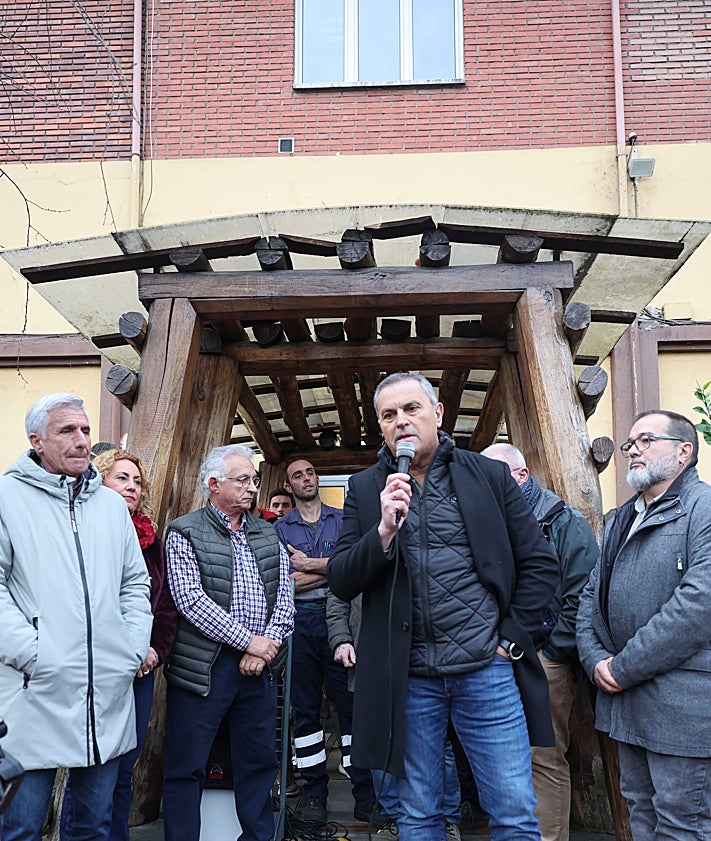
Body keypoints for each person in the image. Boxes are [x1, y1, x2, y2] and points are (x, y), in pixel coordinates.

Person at [327, 372, 559, 841]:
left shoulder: (488, 475)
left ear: (437, 414)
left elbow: (540, 564)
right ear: (380, 427)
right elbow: (341, 579)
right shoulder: (366, 488)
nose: (401, 421)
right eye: (389, 415)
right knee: (418, 815)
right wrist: (383, 532)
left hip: (486, 669)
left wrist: (510, 641)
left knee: (513, 811)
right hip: (409, 679)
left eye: (411, 409)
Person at [0, 393, 152, 841]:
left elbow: (134, 584)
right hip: (34, 694)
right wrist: (35, 655)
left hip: (106, 691)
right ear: (37, 441)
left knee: (92, 827)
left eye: (85, 429)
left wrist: (130, 649)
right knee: (20, 827)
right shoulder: (7, 498)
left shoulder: (110, 506)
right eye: (67, 430)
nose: (82, 439)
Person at [576, 410, 711, 841]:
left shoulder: (704, 509)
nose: (633, 450)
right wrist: (595, 659)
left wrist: (621, 667)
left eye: (646, 440)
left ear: (683, 452)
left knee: (682, 824)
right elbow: (591, 598)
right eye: (630, 443)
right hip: (627, 705)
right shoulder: (621, 517)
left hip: (683, 707)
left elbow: (698, 606)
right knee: (641, 817)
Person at [162, 444, 294, 841]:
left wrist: (267, 644)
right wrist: (250, 642)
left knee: (258, 763)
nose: (252, 487)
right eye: (243, 480)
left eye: (254, 480)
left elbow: (285, 595)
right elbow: (190, 600)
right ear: (214, 483)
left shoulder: (267, 531)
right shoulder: (185, 530)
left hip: (260, 667)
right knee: (187, 766)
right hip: (205, 667)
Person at [482, 443, 599, 841]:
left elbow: (583, 596)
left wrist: (554, 651)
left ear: (521, 475)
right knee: (501, 757)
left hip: (544, 655)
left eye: (494, 474)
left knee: (543, 756)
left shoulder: (563, 521)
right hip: (499, 656)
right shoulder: (491, 521)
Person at [62, 450, 178, 841]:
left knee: (125, 770)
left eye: (137, 481)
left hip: (140, 672)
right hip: (93, 669)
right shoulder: (80, 530)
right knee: (90, 770)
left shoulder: (151, 541)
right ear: (99, 481)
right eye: (121, 478)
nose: (131, 487)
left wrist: (153, 651)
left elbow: (164, 607)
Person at [275, 460, 384, 829]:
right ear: (288, 486)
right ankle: (314, 794)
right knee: (306, 710)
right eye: (298, 475)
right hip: (300, 621)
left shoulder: (343, 519)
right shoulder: (280, 529)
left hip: (344, 620)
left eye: (310, 473)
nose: (306, 478)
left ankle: (365, 796)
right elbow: (284, 583)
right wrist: (333, 568)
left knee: (352, 708)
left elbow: (356, 564)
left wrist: (308, 565)